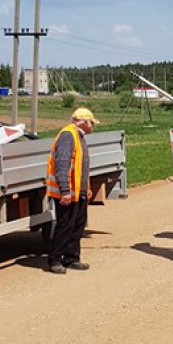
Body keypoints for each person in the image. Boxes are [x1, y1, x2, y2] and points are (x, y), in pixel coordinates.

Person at [45, 107, 100, 274]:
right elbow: (62, 164)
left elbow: (81, 167)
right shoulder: (67, 136)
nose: (93, 126)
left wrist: (87, 188)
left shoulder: (78, 136)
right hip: (68, 192)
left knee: (78, 224)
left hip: (79, 192)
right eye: (92, 123)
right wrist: (65, 191)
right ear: (83, 122)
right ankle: (55, 259)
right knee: (65, 225)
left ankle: (71, 258)